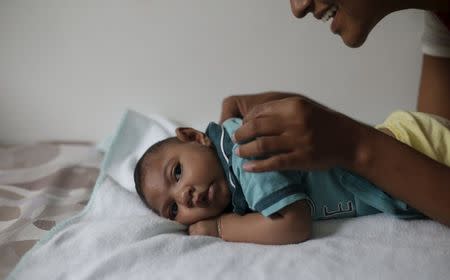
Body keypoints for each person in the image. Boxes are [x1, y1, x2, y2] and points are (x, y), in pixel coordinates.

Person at [219, 0, 450, 226]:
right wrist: (326, 128)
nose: (298, 8)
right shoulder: (441, 21)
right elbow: (436, 137)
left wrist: (352, 145)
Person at [133, 111, 450, 245]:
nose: (185, 195)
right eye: (173, 210)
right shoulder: (234, 188)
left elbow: (293, 224)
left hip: (414, 147)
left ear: (194, 137)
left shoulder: (242, 150)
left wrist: (218, 228)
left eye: (177, 172)